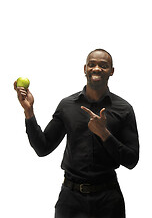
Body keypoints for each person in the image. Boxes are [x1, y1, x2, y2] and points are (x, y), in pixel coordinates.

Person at [14, 49, 139, 218]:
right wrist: (29, 111)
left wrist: (104, 134)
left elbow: (131, 160)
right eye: (92, 64)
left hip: (108, 201)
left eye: (103, 65)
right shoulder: (67, 106)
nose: (97, 69)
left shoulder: (124, 109)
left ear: (112, 71)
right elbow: (43, 148)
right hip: (70, 201)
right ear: (85, 68)